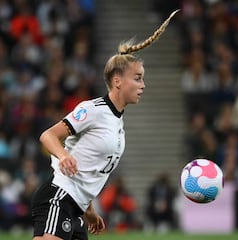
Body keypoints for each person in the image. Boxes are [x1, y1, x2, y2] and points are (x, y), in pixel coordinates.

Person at [30, 9, 179, 240]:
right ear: (117, 81)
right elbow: (48, 135)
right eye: (138, 78)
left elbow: (91, 172)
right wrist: (63, 156)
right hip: (57, 198)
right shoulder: (93, 110)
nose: (143, 85)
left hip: (76, 210)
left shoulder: (117, 123)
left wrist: (89, 210)